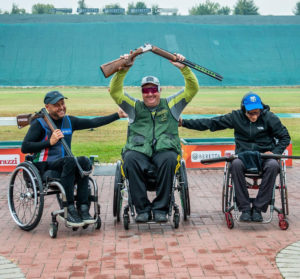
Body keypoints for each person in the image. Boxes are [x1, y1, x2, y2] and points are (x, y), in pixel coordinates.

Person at [109, 52, 199, 223]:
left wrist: (184, 69)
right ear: (142, 92)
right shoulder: (134, 107)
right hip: (139, 151)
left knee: (170, 159)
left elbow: (192, 88)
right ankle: (141, 210)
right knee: (130, 159)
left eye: (153, 90)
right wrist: (123, 69)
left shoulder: (172, 104)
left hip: (164, 150)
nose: (150, 94)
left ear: (159, 90)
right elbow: (115, 91)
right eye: (146, 90)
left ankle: (161, 209)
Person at [21, 90, 127, 227]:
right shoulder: (39, 124)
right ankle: (69, 208)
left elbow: (93, 122)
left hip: (66, 166)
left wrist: (117, 115)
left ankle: (83, 208)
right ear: (47, 107)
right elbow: (25, 147)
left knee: (83, 161)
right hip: (44, 166)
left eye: (62, 103)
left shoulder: (69, 121)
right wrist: (49, 142)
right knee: (71, 160)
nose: (61, 107)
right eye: (56, 105)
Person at [181, 92, 290, 222]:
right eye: (251, 113)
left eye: (257, 112)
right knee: (235, 164)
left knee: (273, 165)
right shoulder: (235, 117)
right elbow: (211, 123)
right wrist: (184, 123)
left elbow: (285, 137)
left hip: (264, 157)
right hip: (243, 156)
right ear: (243, 109)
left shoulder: (270, 117)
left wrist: (274, 152)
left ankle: (258, 209)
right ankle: (244, 208)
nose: (254, 116)